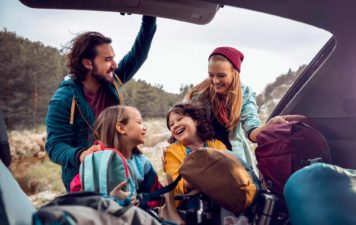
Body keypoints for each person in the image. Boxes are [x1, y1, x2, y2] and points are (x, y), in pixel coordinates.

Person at [45, 16, 157, 191]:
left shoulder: (111, 81)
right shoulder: (64, 99)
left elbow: (138, 54)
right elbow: (55, 146)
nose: (114, 64)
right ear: (88, 63)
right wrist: (81, 154)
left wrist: (149, 19)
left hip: (118, 168)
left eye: (113, 58)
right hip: (85, 178)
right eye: (107, 60)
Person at [185, 46, 302, 168]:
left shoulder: (245, 94)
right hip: (204, 159)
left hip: (233, 160)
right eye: (211, 75)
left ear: (234, 73)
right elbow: (185, 122)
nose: (215, 81)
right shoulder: (199, 95)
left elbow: (252, 131)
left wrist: (269, 126)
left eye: (221, 75)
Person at [70, 105, 162, 207]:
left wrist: (140, 203)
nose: (144, 128)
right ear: (121, 128)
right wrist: (109, 199)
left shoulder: (142, 163)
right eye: (139, 122)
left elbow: (156, 195)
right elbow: (77, 194)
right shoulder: (95, 161)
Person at [163, 103, 227, 206]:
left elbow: (229, 167)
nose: (175, 125)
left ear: (196, 121)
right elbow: (176, 183)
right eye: (171, 124)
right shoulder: (171, 152)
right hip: (190, 202)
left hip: (221, 196)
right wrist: (197, 179)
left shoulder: (217, 145)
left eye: (180, 119)